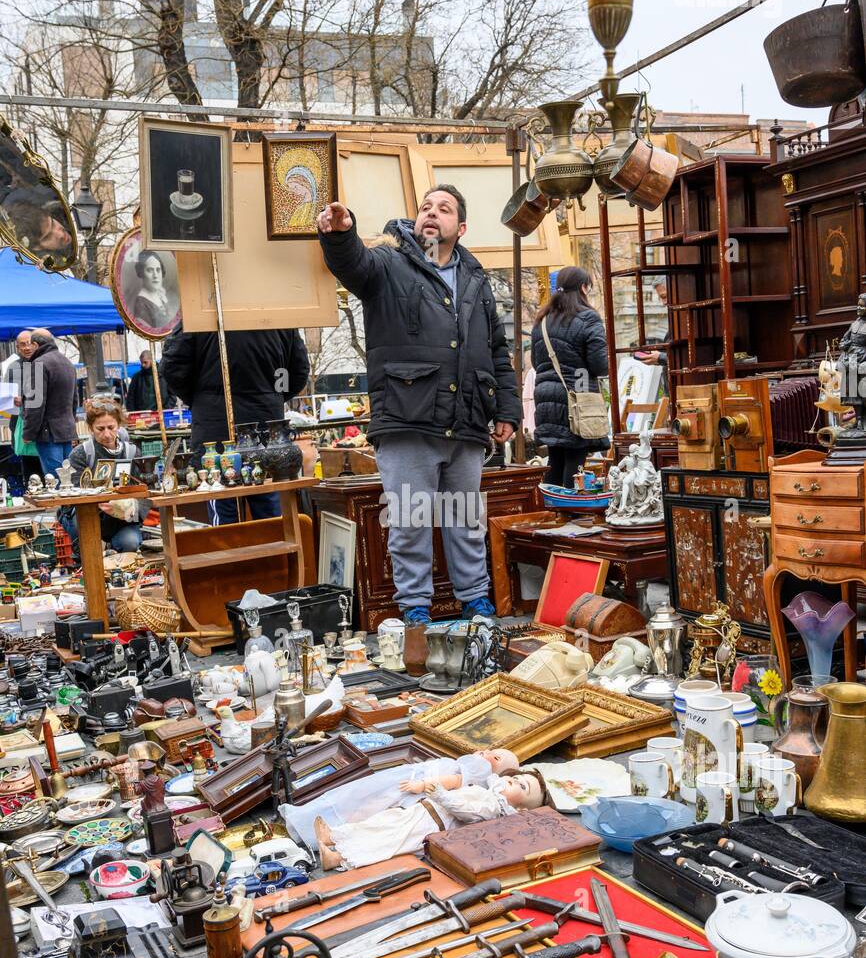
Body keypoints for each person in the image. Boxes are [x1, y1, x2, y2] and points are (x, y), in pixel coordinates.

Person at [317, 186, 521, 638]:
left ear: (461, 228)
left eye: (444, 209)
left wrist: (506, 407)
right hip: (408, 417)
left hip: (467, 422)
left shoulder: (476, 278)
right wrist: (340, 233)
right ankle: (415, 609)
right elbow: (353, 265)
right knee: (409, 521)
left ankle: (475, 601)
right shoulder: (390, 261)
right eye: (426, 207)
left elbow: (497, 349)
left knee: (465, 519)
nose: (432, 214)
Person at [160, 323, 310, 523]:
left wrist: (201, 397)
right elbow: (297, 370)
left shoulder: (199, 307)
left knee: (224, 512)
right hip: (264, 424)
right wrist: (273, 394)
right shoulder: (275, 308)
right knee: (268, 508)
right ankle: (272, 554)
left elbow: (172, 367)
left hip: (216, 425)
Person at [313, 768, 548, 871]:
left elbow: (467, 812)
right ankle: (333, 835)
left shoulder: (493, 806)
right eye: (518, 778)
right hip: (424, 811)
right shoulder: (488, 791)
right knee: (382, 822)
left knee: (386, 841)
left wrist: (442, 795)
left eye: (522, 787)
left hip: (430, 824)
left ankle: (339, 858)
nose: (514, 781)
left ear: (520, 809)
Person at [531, 266, 609, 489]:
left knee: (555, 460)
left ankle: (552, 514)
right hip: (577, 401)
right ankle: (568, 515)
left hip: (546, 400)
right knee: (576, 460)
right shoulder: (588, 318)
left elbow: (537, 364)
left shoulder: (543, 321)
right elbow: (599, 365)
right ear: (583, 287)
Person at [61, 400, 148, 553]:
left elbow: (145, 492)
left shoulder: (133, 452)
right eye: (100, 429)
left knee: (130, 544)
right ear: (90, 428)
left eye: (111, 427)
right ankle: (91, 550)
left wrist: (131, 508)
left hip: (122, 520)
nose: (107, 434)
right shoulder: (81, 454)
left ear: (119, 425)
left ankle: (111, 547)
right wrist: (100, 503)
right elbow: (73, 495)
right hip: (88, 515)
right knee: (90, 549)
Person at [21, 328, 78, 475]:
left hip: (48, 433)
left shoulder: (38, 364)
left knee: (55, 482)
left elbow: (35, 404)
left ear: (35, 344)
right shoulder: (67, 363)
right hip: (66, 430)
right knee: (68, 481)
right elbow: (74, 401)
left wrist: (28, 433)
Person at [131, 250, 175, 335]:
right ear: (141, 273)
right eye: (150, 270)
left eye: (158, 270)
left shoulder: (161, 296)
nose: (155, 275)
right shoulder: (141, 305)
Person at [125, 349, 176, 413]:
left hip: (161, 413)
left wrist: (165, 409)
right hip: (141, 415)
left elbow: (173, 395)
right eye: (141, 362)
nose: (143, 365)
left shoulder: (164, 376)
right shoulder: (136, 377)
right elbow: (130, 397)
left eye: (145, 362)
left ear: (152, 361)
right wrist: (133, 413)